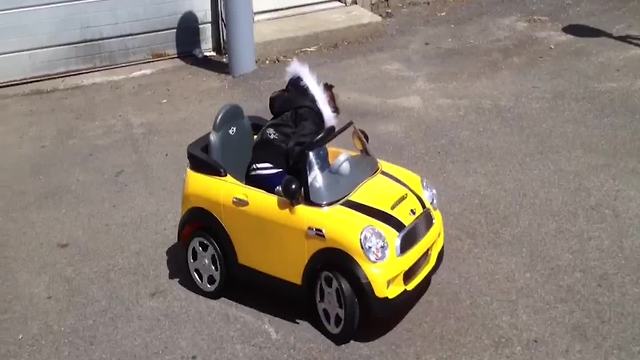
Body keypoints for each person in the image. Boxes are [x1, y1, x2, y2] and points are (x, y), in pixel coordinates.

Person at [246, 59, 340, 194]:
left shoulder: (301, 104)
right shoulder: (312, 117)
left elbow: (312, 148)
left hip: (267, 153)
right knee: (299, 195)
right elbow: (300, 149)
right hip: (267, 167)